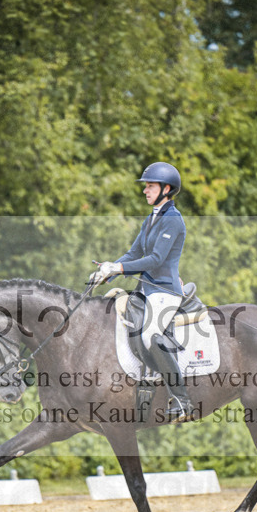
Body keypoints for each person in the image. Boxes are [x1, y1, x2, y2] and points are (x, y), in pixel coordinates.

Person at [90, 161, 192, 421]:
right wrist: (107, 269)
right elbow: (134, 253)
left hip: (165, 291)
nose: (145, 191)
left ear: (166, 189)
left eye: (150, 186)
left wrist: (119, 268)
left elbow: (156, 259)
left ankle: (181, 400)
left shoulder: (173, 220)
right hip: (146, 290)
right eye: (145, 186)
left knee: (151, 336)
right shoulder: (151, 218)